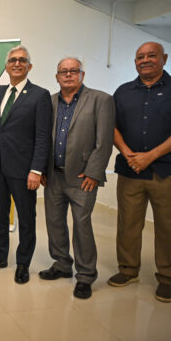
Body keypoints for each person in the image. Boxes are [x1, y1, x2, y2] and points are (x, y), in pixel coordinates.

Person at [109, 41, 171, 303]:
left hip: (168, 172)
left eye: (152, 55)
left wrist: (150, 156)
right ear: (135, 61)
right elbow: (111, 127)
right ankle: (128, 270)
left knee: (169, 228)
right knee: (127, 225)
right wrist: (128, 153)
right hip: (130, 171)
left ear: (165, 58)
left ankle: (168, 279)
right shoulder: (123, 91)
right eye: (140, 56)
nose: (145, 60)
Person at [39, 57, 115, 299]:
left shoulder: (100, 100)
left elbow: (104, 142)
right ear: (57, 76)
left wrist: (94, 171)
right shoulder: (49, 102)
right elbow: (41, 138)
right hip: (53, 176)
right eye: (63, 71)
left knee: (81, 225)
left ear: (82, 74)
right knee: (54, 222)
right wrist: (41, 168)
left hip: (83, 178)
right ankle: (61, 264)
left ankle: (85, 275)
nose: (68, 75)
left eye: (73, 71)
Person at [0, 45, 52, 284]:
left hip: (23, 170)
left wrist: (36, 170)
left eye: (22, 60)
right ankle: (0, 257)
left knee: (26, 217)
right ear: (6, 65)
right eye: (13, 60)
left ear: (29, 66)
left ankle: (23, 263)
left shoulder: (39, 95)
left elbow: (42, 136)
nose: (17, 64)